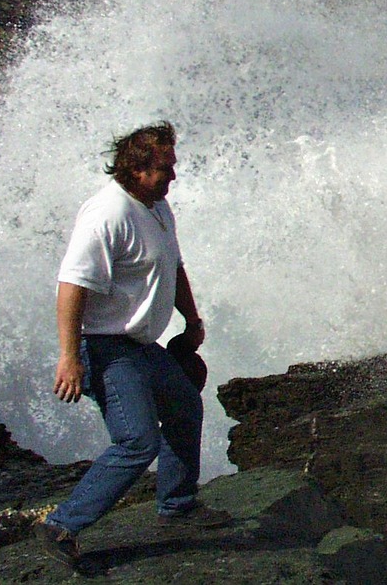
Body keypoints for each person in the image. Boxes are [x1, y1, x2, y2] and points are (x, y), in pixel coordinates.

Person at [36, 122, 230, 572]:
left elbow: (174, 267)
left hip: (142, 345)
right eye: (166, 168)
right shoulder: (108, 214)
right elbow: (72, 286)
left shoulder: (158, 208)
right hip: (103, 347)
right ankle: (61, 525)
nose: (174, 176)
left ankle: (178, 505)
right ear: (138, 169)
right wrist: (69, 358)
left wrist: (193, 319)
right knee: (136, 440)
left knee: (184, 407)